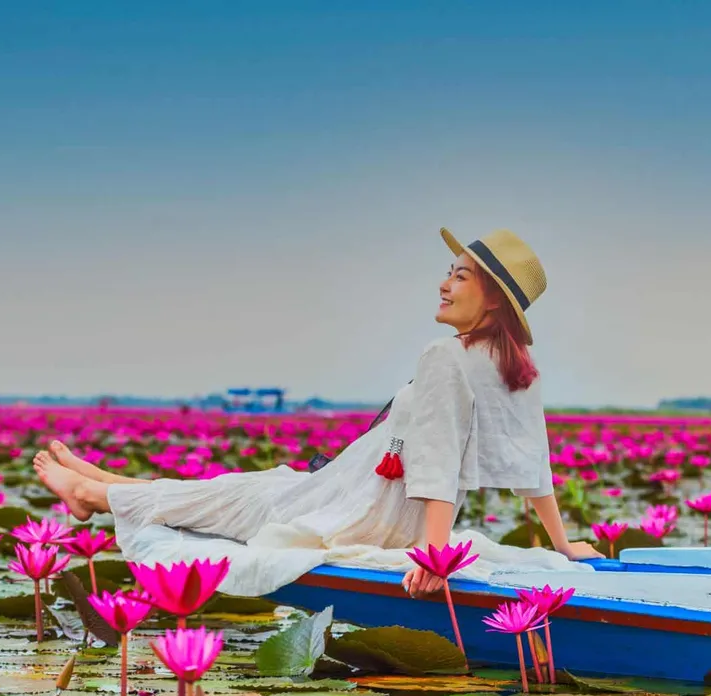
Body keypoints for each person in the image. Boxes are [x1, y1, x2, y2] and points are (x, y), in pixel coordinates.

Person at [33, 227, 601, 598]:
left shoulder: (444, 357)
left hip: (363, 508)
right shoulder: (518, 367)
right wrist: (562, 543)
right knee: (239, 491)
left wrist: (433, 556)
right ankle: (109, 484)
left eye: (459, 275)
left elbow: (436, 461)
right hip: (379, 502)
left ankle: (93, 496)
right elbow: (534, 468)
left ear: (494, 297)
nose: (443, 283)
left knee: (239, 496)